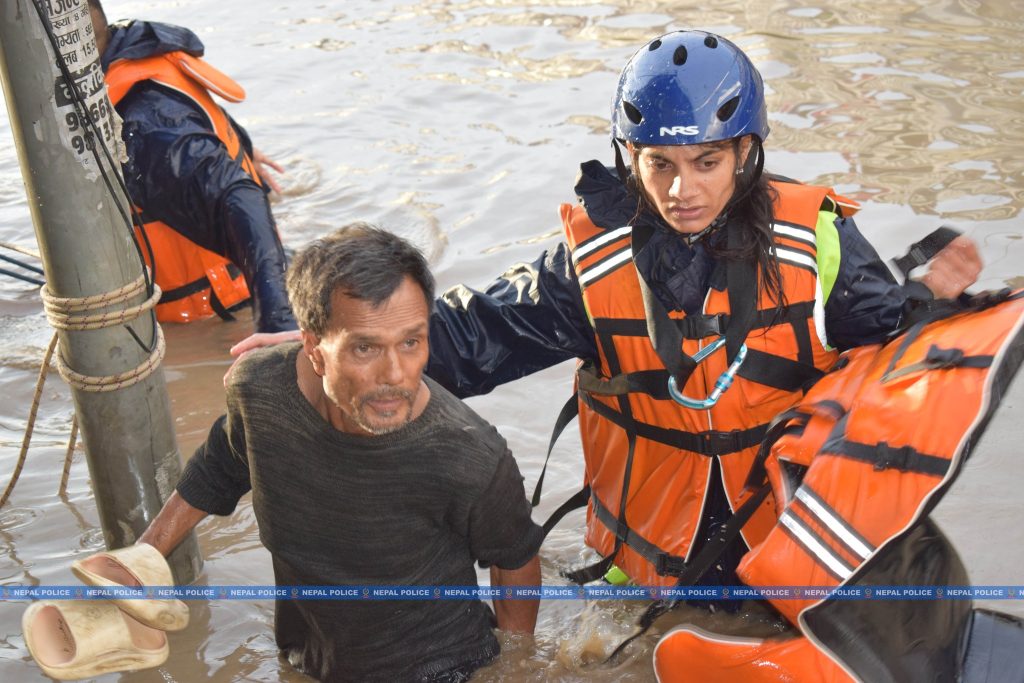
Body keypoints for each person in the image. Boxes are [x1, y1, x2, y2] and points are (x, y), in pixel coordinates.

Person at [234, 29, 982, 594]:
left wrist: (938, 309)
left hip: (789, 549)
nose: (680, 189)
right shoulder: (591, 262)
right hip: (647, 567)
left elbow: (895, 360)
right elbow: (467, 339)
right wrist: (336, 350)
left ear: (747, 152)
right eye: (658, 163)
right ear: (630, 159)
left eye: (706, 162)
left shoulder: (816, 238)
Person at [139, 224, 544, 682]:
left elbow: (515, 558)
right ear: (313, 348)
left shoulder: (471, 454)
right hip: (306, 662)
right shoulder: (259, 392)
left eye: (411, 342)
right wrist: (141, 559)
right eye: (365, 348)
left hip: (443, 670)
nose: (396, 375)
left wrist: (517, 670)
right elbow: (220, 468)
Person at [88, 1, 296, 332]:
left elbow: (237, 197)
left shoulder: (146, 125)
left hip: (218, 316)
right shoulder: (129, 51)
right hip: (258, 267)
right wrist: (241, 145)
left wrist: (278, 324)